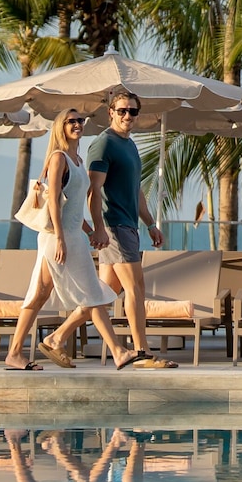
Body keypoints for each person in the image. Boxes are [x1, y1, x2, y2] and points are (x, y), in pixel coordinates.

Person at [17, 109, 140, 370]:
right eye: (71, 121)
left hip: (74, 238)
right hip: (57, 239)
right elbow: (53, 202)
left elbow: (73, 208)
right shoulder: (58, 158)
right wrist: (61, 238)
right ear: (61, 127)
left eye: (80, 121)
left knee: (42, 295)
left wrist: (92, 232)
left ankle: (29, 347)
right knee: (88, 294)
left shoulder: (78, 159)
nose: (77, 124)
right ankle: (117, 351)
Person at [88, 88, 172, 369]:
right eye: (122, 110)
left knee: (104, 293)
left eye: (132, 111)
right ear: (110, 112)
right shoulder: (103, 144)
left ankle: (56, 337)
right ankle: (141, 352)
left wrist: (150, 224)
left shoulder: (130, 145)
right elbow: (93, 190)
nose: (127, 116)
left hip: (130, 225)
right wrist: (99, 229)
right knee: (136, 286)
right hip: (114, 226)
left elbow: (136, 190)